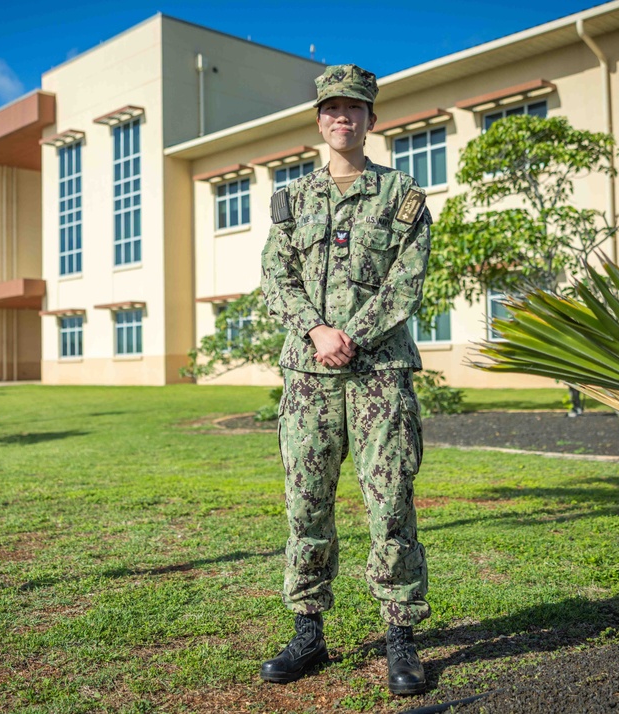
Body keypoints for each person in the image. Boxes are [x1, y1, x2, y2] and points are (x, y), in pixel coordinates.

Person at [259, 64, 432, 696]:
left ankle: (401, 637)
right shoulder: (294, 199)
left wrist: (351, 334)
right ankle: (309, 630)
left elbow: (406, 282)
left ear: (370, 120)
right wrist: (315, 331)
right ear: (319, 120)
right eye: (331, 108)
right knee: (306, 504)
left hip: (379, 373)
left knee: (390, 505)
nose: (342, 118)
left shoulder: (401, 196)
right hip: (308, 376)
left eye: (354, 109)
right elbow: (277, 278)